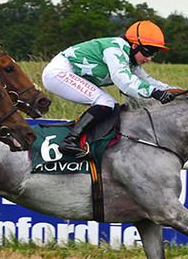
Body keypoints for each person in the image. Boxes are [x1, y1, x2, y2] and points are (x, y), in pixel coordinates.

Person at [41, 20, 177, 157]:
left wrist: (177, 91)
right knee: (106, 102)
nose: (149, 59)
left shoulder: (130, 59)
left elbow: (148, 81)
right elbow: (124, 80)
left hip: (68, 74)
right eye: (149, 52)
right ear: (135, 45)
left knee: (109, 104)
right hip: (58, 73)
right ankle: (70, 141)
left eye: (154, 53)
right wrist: (154, 93)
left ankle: (88, 141)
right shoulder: (115, 49)